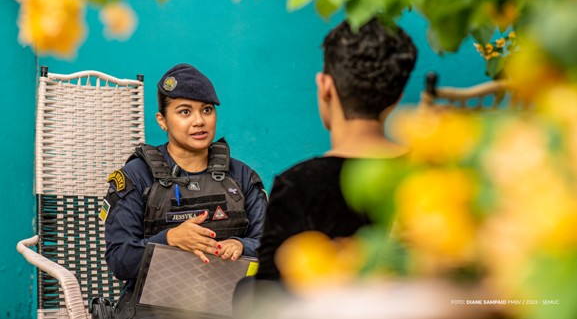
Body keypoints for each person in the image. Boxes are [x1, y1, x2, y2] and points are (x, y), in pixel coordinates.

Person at [253, 17, 417, 284]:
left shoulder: (297, 186)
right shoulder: (430, 177)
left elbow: (268, 300)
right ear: (396, 98)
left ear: (325, 87)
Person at [101, 63, 268, 318]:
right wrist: (169, 240)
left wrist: (240, 245)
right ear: (162, 121)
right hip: (154, 310)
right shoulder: (136, 177)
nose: (199, 121)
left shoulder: (242, 177)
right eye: (184, 112)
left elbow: (273, 246)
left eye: (207, 110)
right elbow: (120, 259)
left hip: (228, 307)